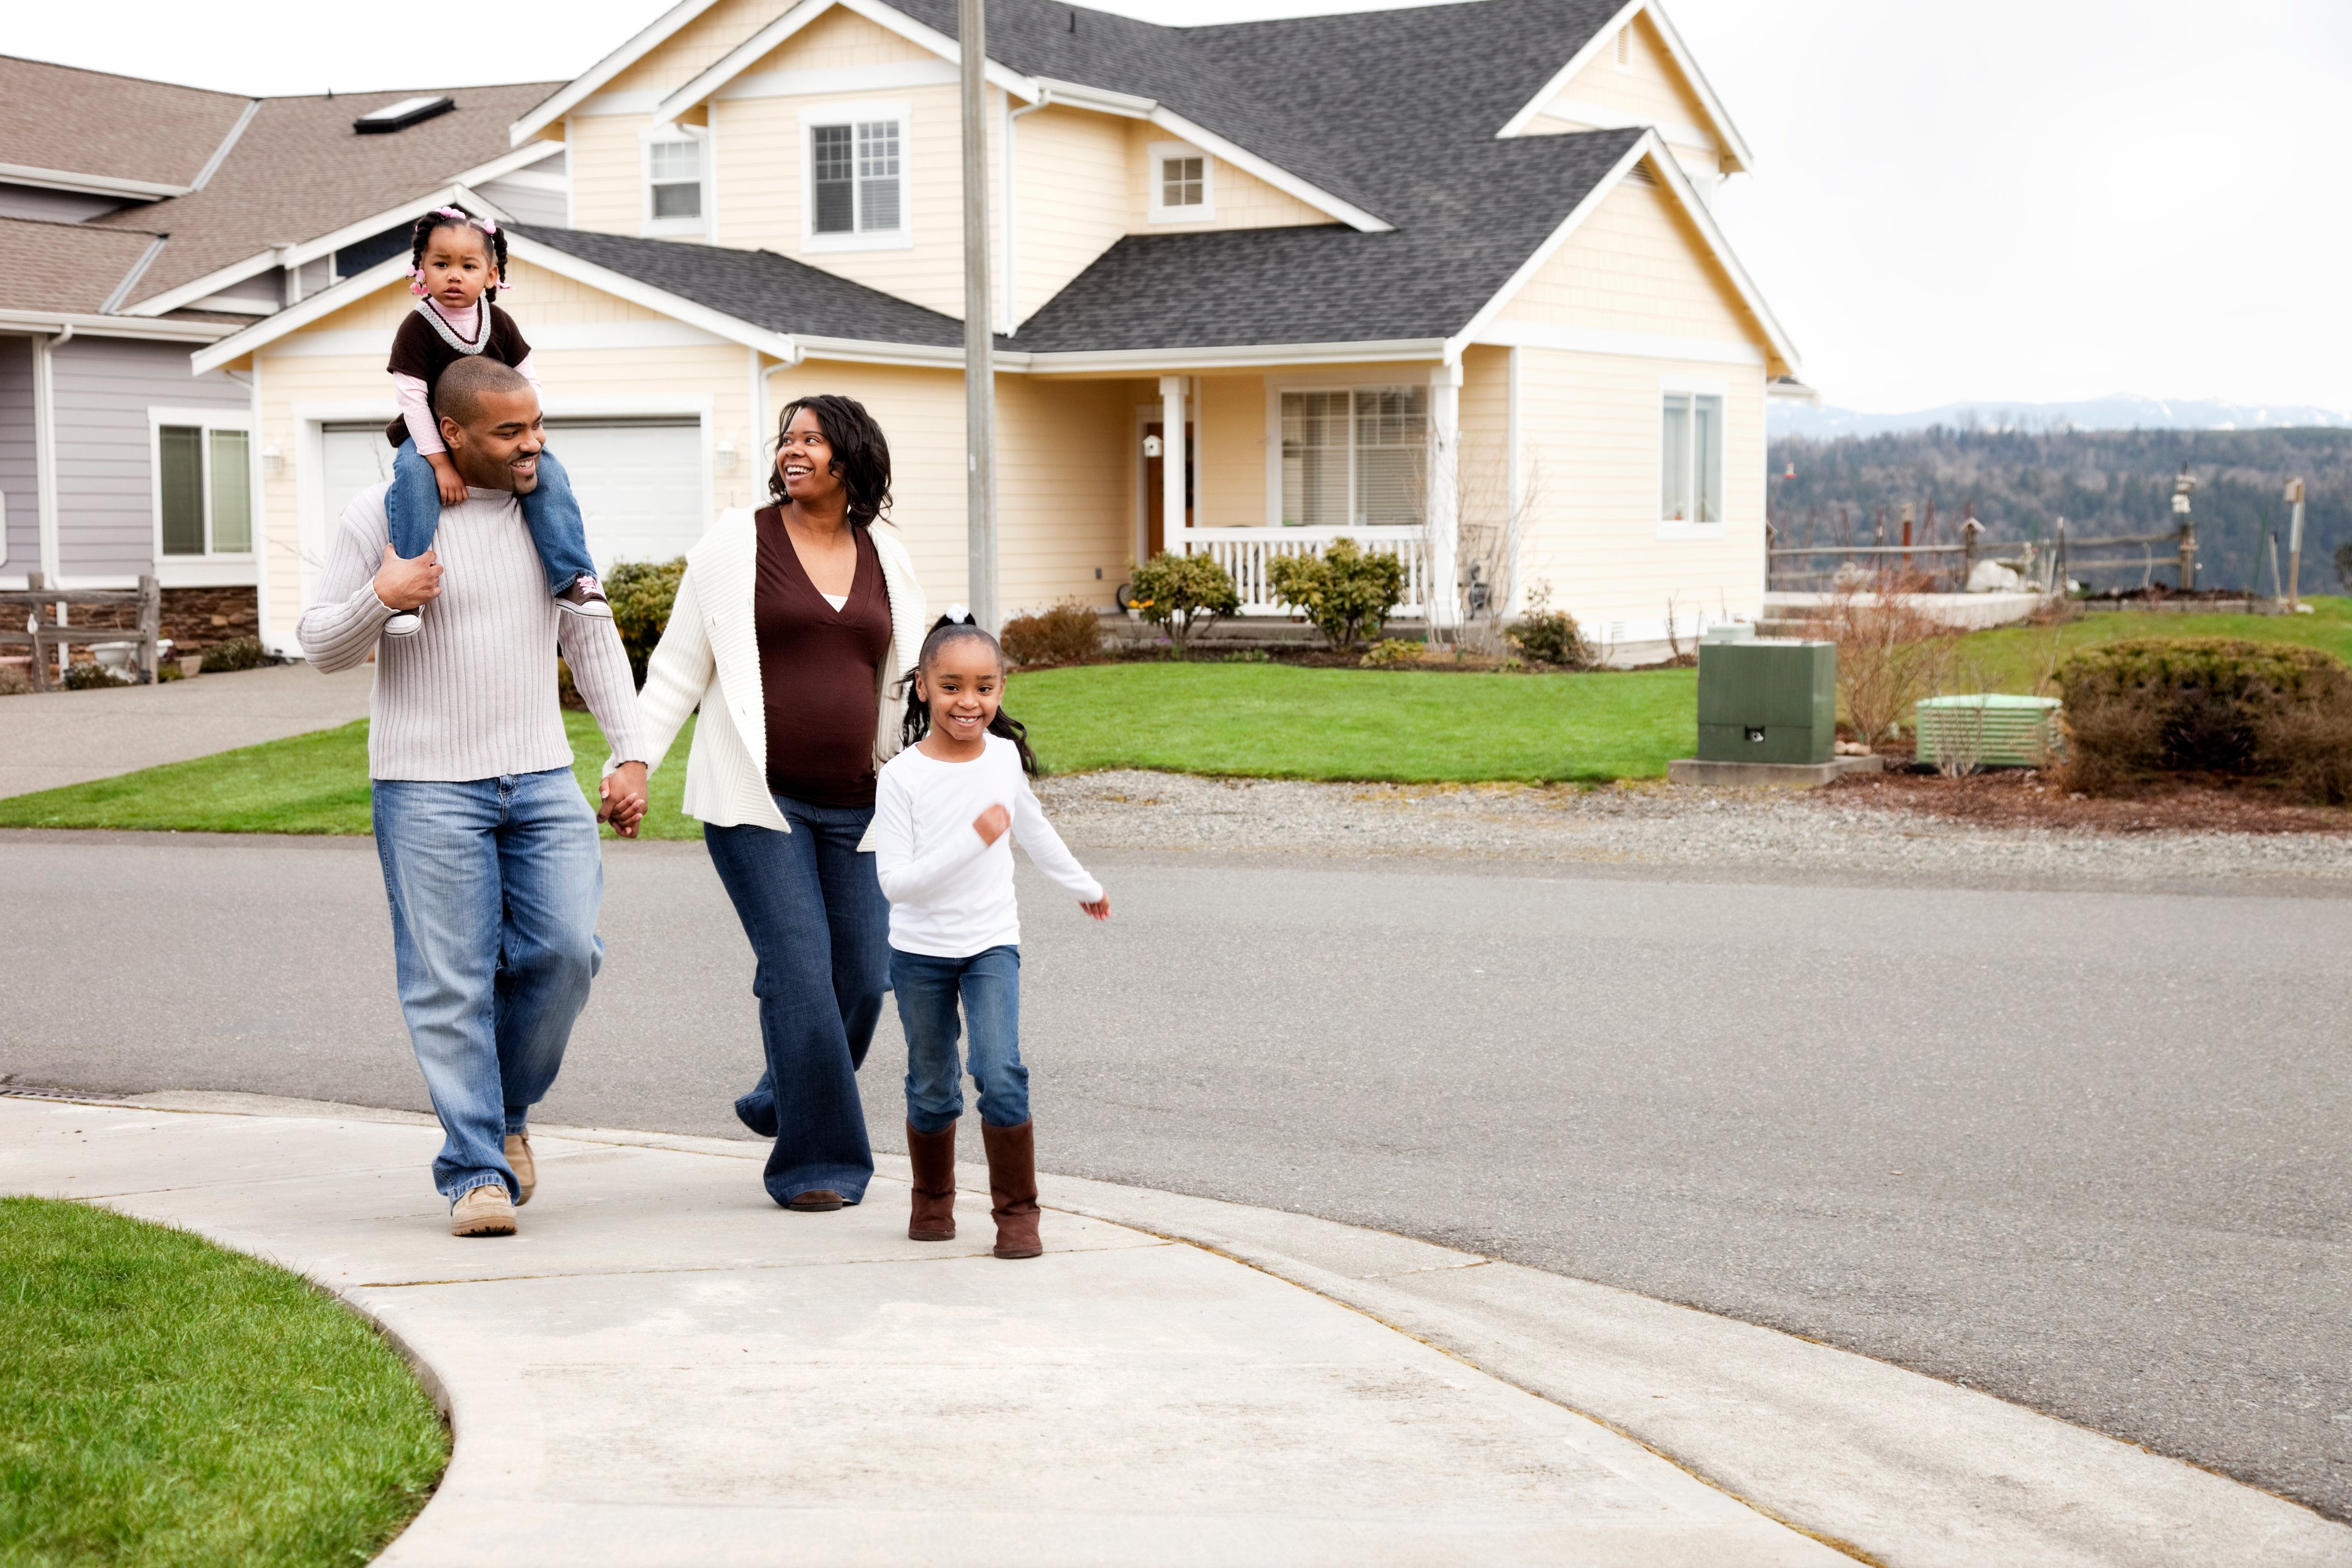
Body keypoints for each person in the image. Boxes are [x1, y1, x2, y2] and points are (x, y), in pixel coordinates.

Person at [298, 356, 651, 1238]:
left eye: (537, 425)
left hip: (539, 773)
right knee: (449, 981)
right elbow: (319, 644)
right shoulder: (381, 514)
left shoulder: (548, 513)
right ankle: (474, 1169)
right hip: (423, 783)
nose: (533, 444)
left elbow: (590, 631)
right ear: (450, 433)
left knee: (568, 952)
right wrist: (381, 597)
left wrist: (631, 750)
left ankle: (503, 1111)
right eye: (510, 431)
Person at [630, 395, 927, 1212]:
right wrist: (635, 759)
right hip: (758, 801)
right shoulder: (736, 544)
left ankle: (784, 1093)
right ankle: (816, 1163)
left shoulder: (887, 554)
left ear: (851, 457)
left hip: (864, 807)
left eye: (812, 439)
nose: (794, 450)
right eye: (787, 438)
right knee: (800, 971)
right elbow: (679, 667)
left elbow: (909, 680)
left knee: (864, 978)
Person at [872, 613, 1109, 1259]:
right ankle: (932, 1201)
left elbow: (1031, 828)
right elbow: (897, 883)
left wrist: (1083, 885)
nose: (968, 701)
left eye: (984, 686)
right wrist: (972, 840)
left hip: (989, 944)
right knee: (931, 1081)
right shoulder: (901, 778)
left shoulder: (1003, 759)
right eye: (951, 686)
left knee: (999, 1069)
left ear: (1002, 689)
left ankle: (1017, 1214)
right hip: (919, 952)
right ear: (922, 687)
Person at [378, 204, 607, 637]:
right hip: (429, 434)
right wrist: (441, 463)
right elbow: (412, 401)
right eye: (440, 264)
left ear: (490, 273)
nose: (453, 275)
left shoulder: (499, 322)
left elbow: (529, 381)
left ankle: (574, 579)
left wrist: (528, 430)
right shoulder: (417, 328)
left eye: (468, 265)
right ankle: (406, 588)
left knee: (549, 474)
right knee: (411, 475)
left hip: (496, 437)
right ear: (421, 269)